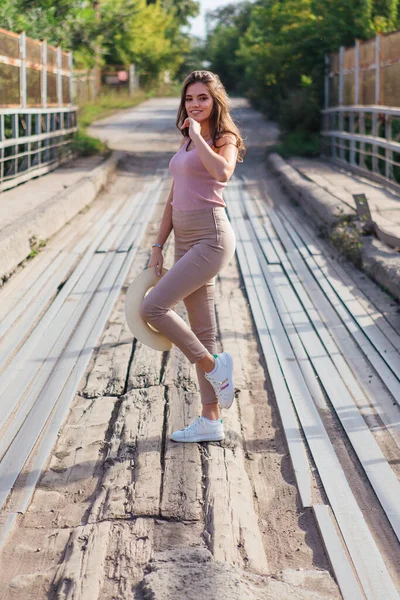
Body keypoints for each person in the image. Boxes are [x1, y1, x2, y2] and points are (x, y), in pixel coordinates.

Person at [139, 70, 246, 443]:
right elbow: (173, 195)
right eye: (189, 98)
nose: (195, 104)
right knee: (202, 329)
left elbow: (222, 173)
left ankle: (212, 366)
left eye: (202, 98)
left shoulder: (222, 137)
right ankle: (211, 419)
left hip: (211, 237)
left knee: (152, 308)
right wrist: (158, 244)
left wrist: (200, 138)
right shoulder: (187, 140)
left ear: (216, 101)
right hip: (184, 237)